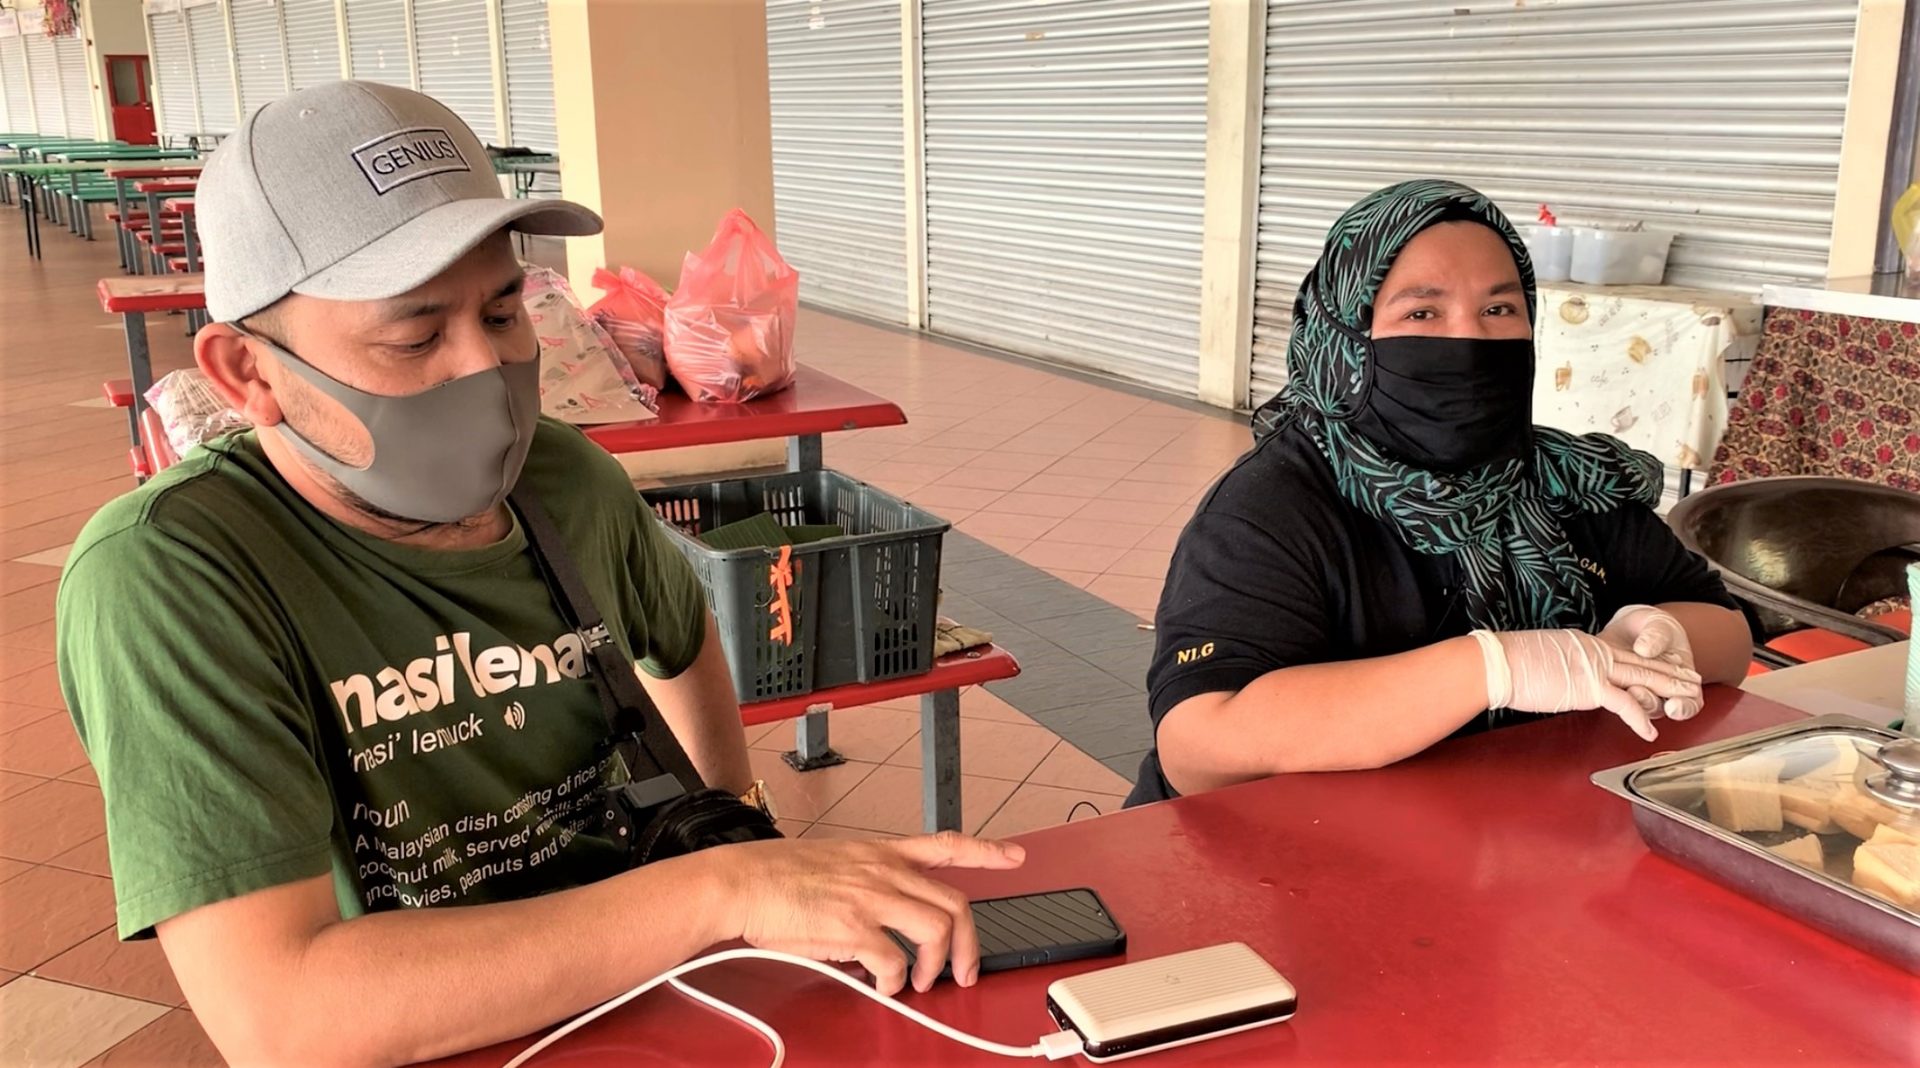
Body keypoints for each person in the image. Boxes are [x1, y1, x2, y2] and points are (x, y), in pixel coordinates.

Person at [56, 81, 1021, 1065]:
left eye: (504, 310)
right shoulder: (172, 578)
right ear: (249, 372)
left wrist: (725, 831)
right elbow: (286, 1016)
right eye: (415, 337)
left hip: (651, 997)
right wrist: (721, 891)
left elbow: (678, 632)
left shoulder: (563, 481)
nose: (485, 370)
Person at [1127, 179, 1751, 805]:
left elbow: (1730, 635)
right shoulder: (1274, 505)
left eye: (1499, 310)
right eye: (1422, 313)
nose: (1469, 340)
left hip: (1523, 829)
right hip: (1297, 844)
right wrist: (1493, 669)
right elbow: (1199, 747)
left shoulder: (1573, 481)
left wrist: (1650, 636)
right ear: (1346, 339)